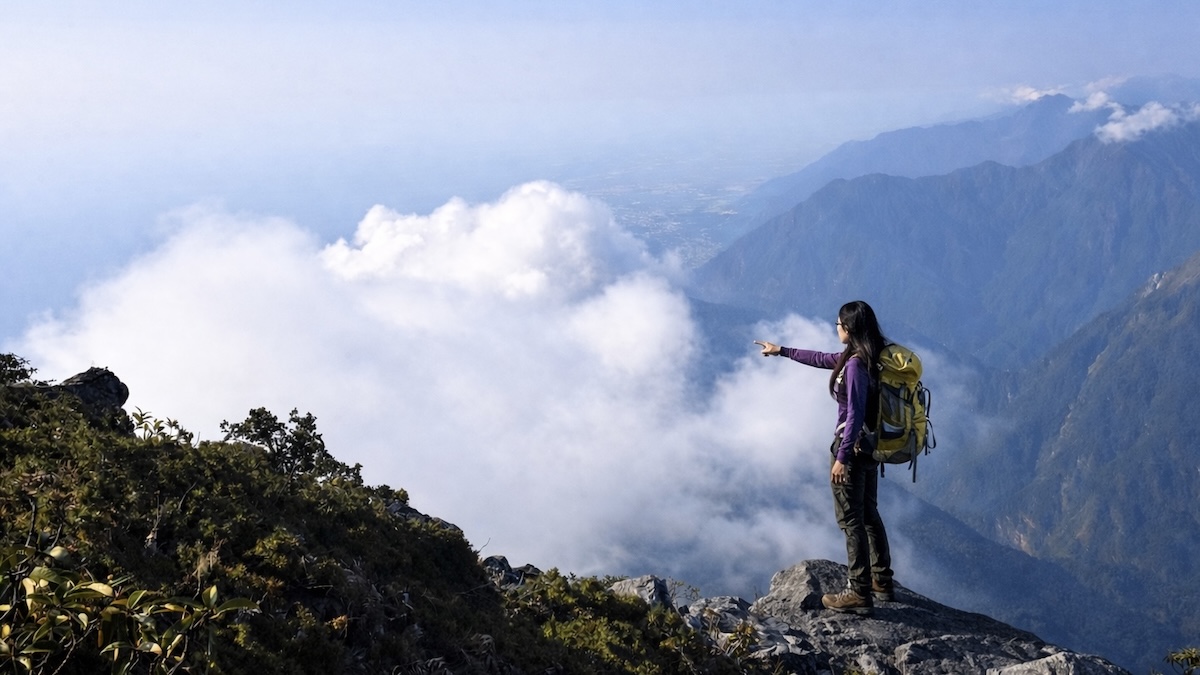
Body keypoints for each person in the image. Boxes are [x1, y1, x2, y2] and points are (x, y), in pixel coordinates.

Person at [754, 300, 895, 615]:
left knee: (851, 520)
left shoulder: (856, 365)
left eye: (838, 323)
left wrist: (842, 457)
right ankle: (882, 581)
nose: (836, 328)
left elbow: (855, 415)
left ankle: (858, 591)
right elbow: (821, 358)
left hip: (853, 448)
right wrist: (783, 351)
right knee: (869, 513)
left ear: (850, 328)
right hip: (872, 446)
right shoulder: (870, 356)